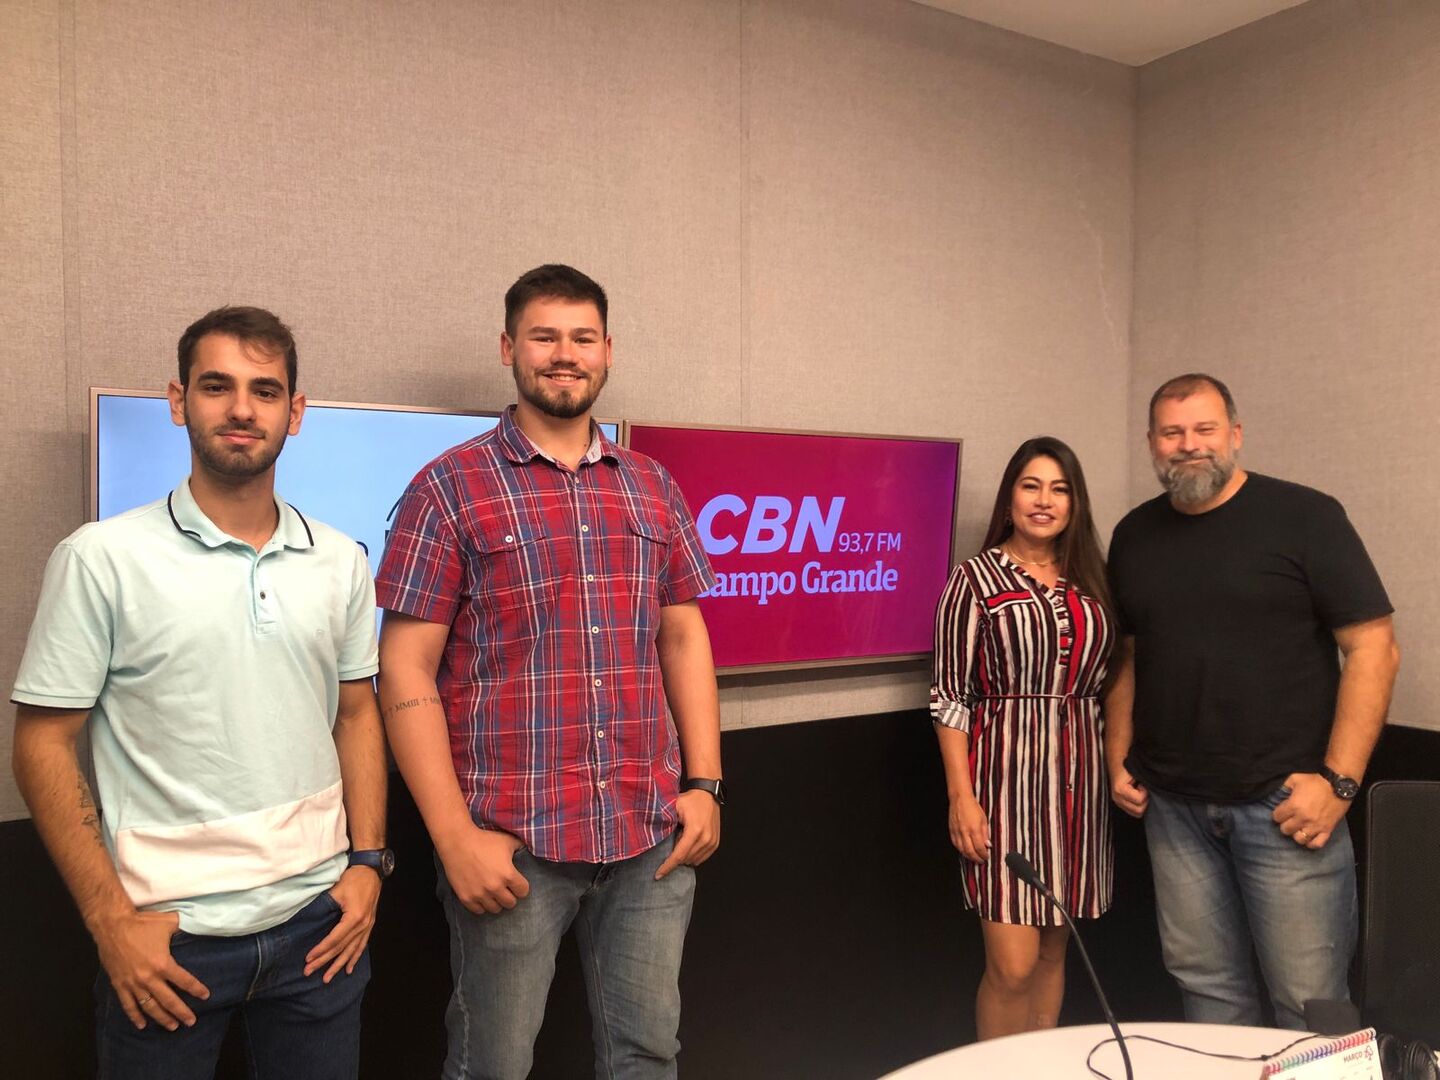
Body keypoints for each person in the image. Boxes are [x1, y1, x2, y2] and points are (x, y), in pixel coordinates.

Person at [10, 307, 390, 1079]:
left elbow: (356, 714)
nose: (243, 409)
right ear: (178, 401)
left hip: (319, 933)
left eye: (265, 390)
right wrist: (109, 919)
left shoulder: (340, 561)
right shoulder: (101, 560)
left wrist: (369, 864)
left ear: (297, 411)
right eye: (217, 386)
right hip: (167, 946)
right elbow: (42, 741)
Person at [375, 264, 723, 1080]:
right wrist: (452, 836)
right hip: (513, 852)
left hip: (648, 843)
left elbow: (683, 636)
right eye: (543, 336)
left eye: (582, 337)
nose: (563, 354)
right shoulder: (448, 488)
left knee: (647, 1056)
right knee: (491, 1066)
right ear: (508, 348)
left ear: (607, 351)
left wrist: (707, 784)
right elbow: (404, 668)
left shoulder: (650, 485)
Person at [1105, 373, 1399, 1030]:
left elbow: (1375, 649)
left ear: (1234, 435)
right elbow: (1126, 653)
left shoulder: (1306, 517)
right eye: (1172, 432)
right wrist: (1115, 751)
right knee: (1207, 995)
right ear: (1152, 443)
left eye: (1204, 429)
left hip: (1286, 810)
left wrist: (1340, 783)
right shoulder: (1133, 536)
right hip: (1172, 808)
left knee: (1311, 1006)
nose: (1189, 445)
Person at [931, 436, 1115, 1040]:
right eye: (1031, 486)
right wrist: (961, 796)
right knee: (1011, 967)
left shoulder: (1092, 578)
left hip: (1077, 793)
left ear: (1074, 503)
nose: (1045, 500)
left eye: (1059, 489)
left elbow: (1120, 671)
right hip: (1002, 790)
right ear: (1010, 497)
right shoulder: (974, 580)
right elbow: (949, 695)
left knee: (1053, 956)